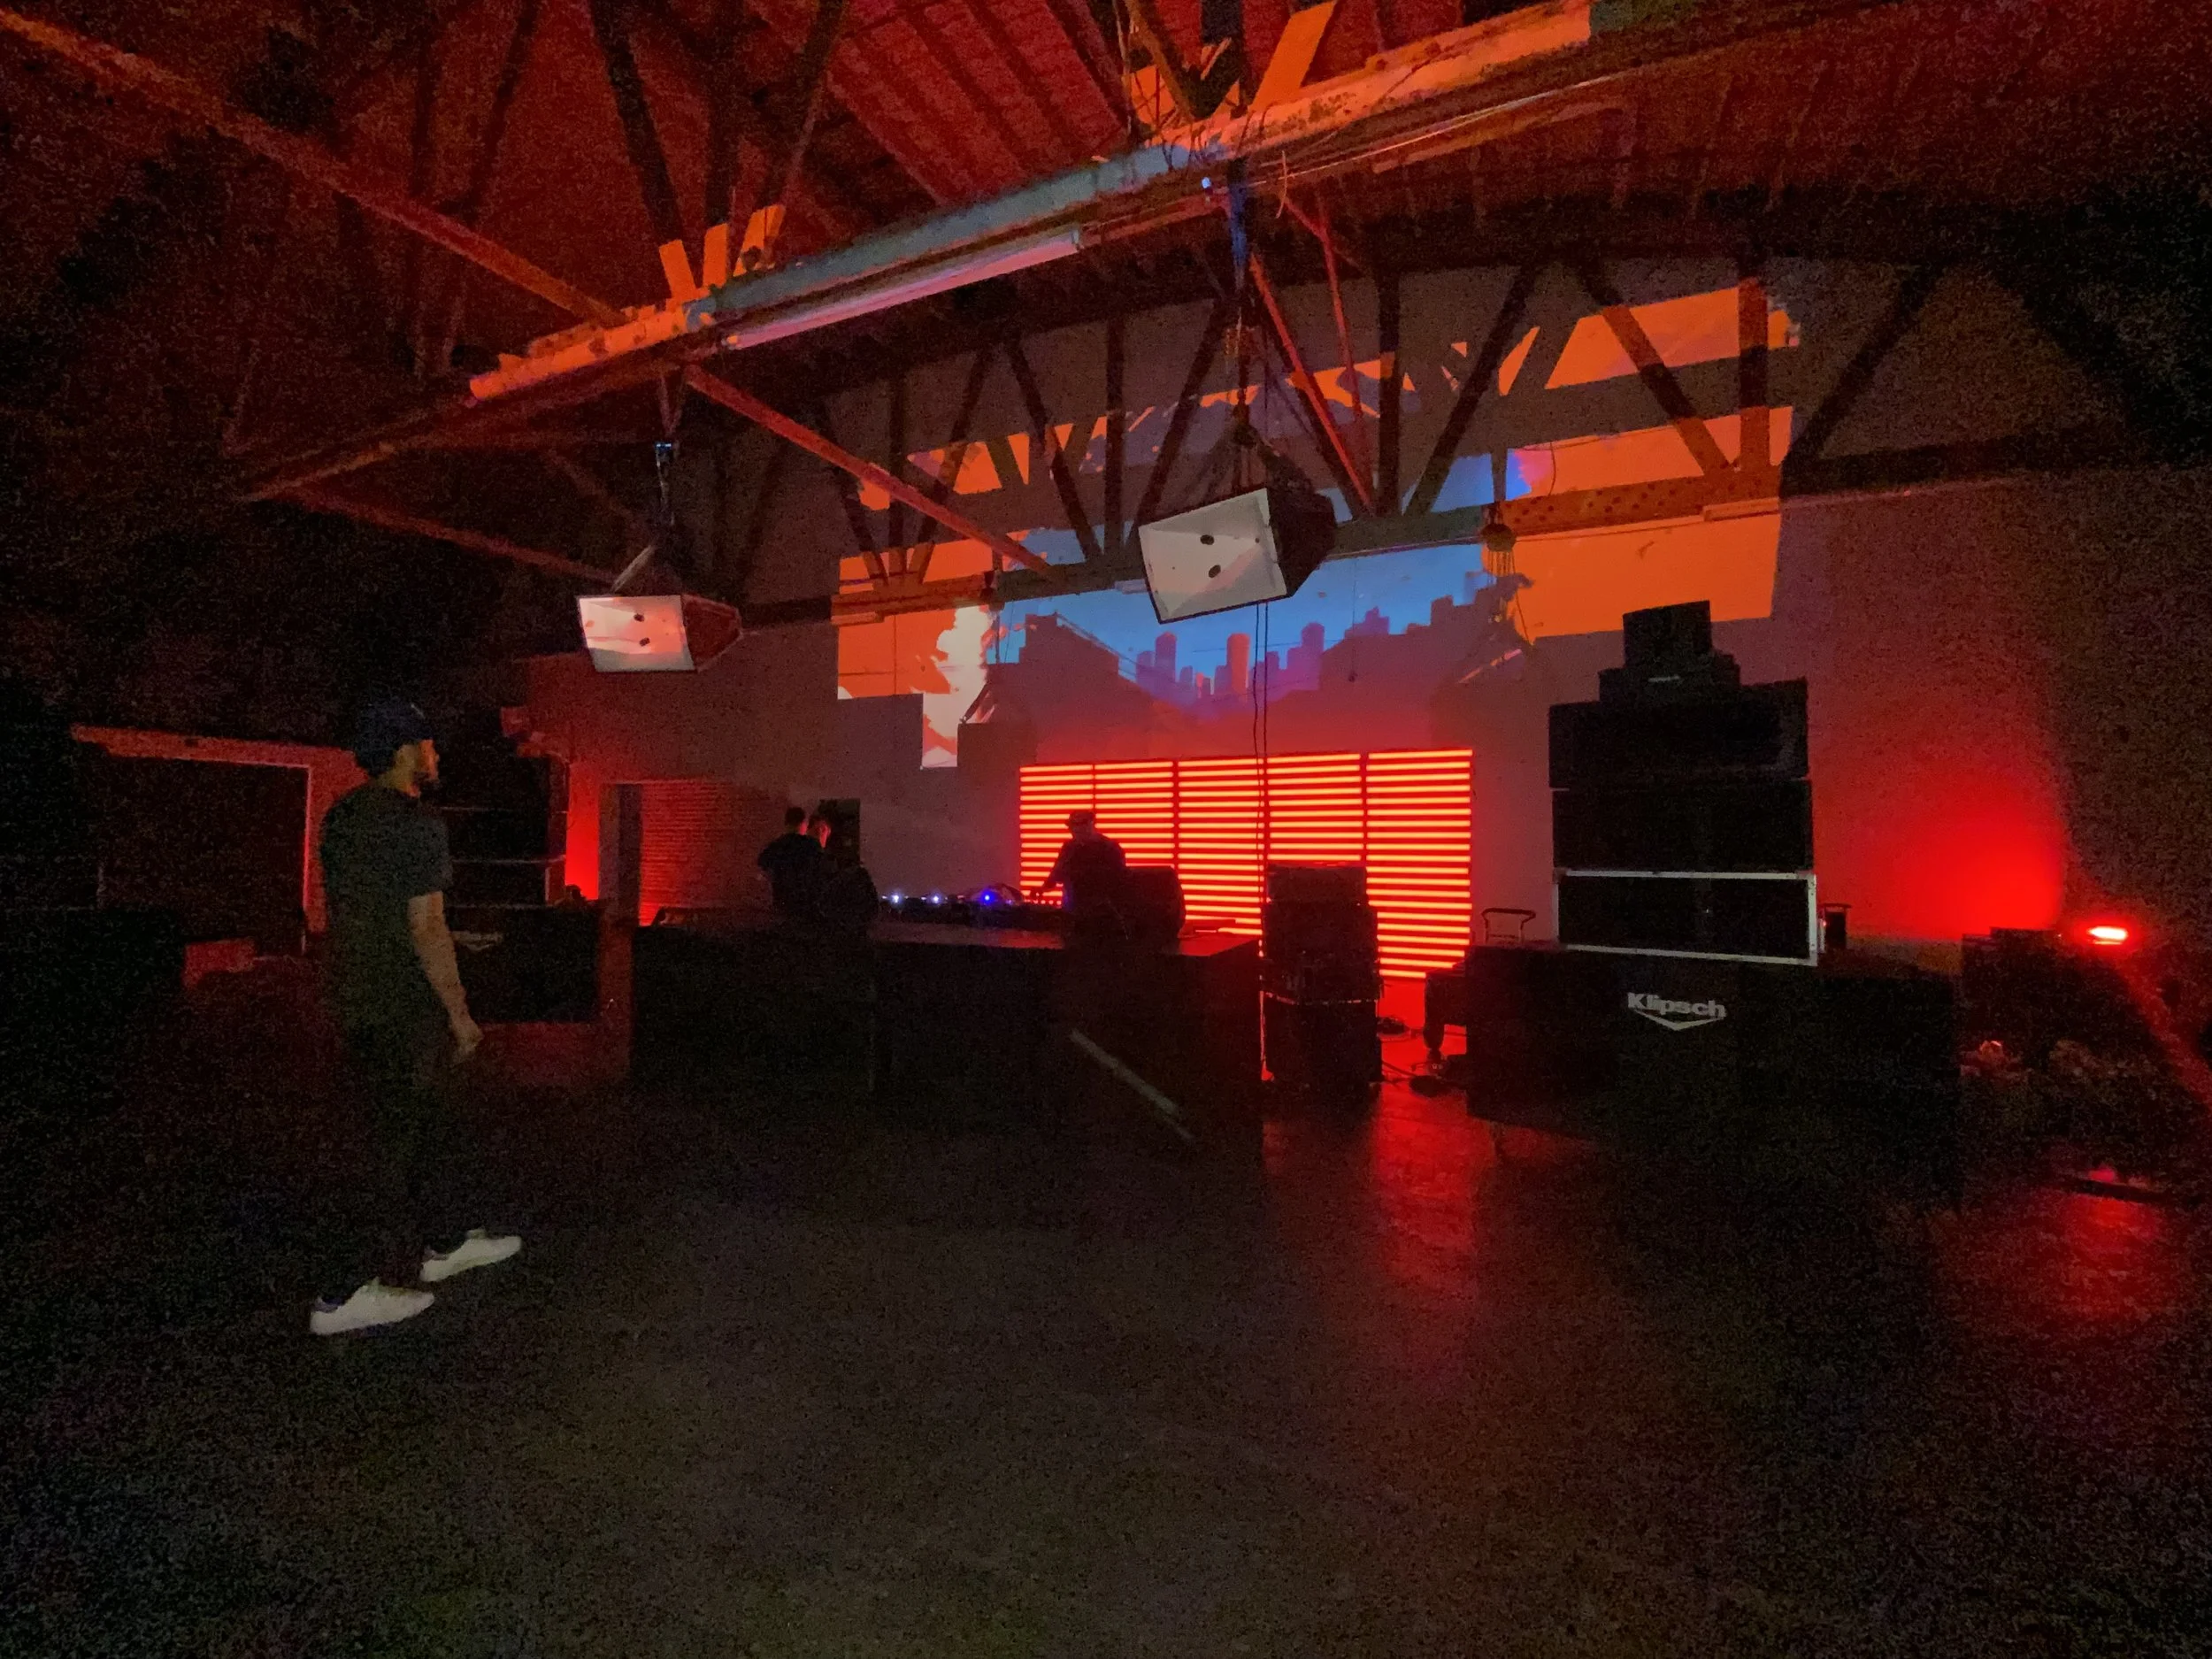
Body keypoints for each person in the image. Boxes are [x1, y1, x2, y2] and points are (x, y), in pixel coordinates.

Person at [311, 701, 519, 1337]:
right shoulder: (418, 825)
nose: (436, 755)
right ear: (405, 751)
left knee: (424, 1125)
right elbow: (424, 925)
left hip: (355, 991)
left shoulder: (342, 816)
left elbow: (366, 907)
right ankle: (340, 1294)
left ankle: (446, 1242)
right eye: (429, 745)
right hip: (404, 1005)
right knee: (387, 1147)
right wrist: (460, 1013)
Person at [1037, 810, 1127, 933]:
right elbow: (1058, 871)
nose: (1076, 831)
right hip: (1073, 909)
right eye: (1074, 827)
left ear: (1092, 824)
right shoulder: (1069, 847)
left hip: (1100, 912)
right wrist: (1044, 888)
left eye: (1081, 826)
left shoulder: (1109, 847)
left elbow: (1119, 879)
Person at [757, 805, 826, 917]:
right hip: (806, 899)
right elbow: (821, 869)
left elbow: (763, 864)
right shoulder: (812, 845)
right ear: (804, 823)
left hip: (783, 898)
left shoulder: (777, 845)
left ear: (786, 823)